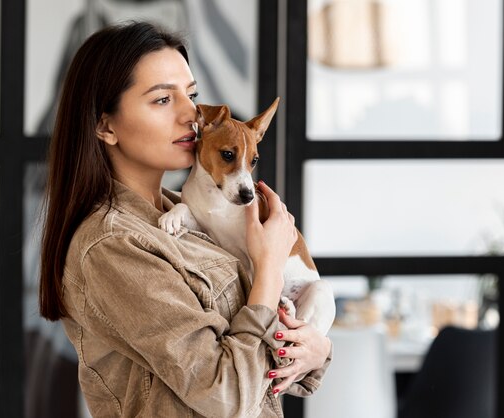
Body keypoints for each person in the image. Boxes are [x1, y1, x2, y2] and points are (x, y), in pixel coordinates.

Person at [38, 21, 332, 417]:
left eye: (191, 94)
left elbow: (264, 371)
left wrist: (318, 350)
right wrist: (269, 271)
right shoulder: (114, 245)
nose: (191, 115)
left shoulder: (188, 213)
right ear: (106, 126)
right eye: (162, 100)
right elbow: (223, 394)